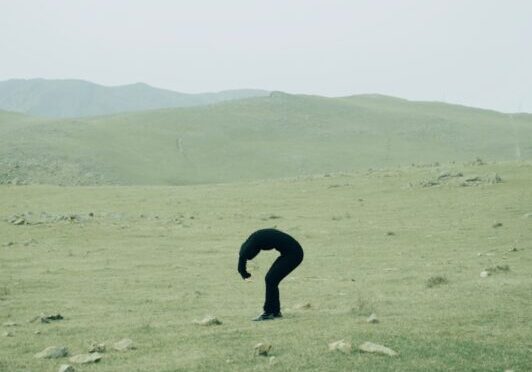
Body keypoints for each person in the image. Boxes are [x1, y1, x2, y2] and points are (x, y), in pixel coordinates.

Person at [238, 228, 304, 321]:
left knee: (271, 279)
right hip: (290, 252)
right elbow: (243, 256)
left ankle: (269, 312)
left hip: (294, 254)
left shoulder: (254, 242)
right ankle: (275, 312)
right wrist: (244, 273)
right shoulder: (254, 239)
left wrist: (244, 273)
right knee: (271, 279)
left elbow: (243, 256)